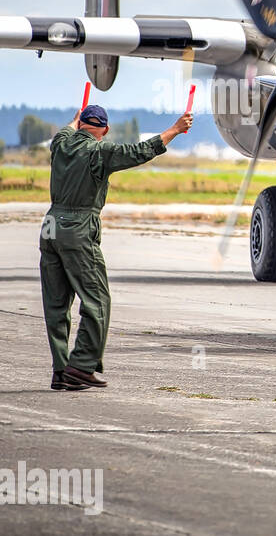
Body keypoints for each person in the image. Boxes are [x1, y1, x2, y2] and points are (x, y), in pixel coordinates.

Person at [41, 101, 193, 391]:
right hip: (78, 228)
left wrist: (74, 120)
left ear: (81, 123)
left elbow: (67, 129)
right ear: (105, 130)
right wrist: (175, 129)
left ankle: (61, 370)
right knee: (97, 300)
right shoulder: (101, 151)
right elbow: (140, 152)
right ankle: (81, 366)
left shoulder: (60, 143)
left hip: (49, 227)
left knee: (56, 305)